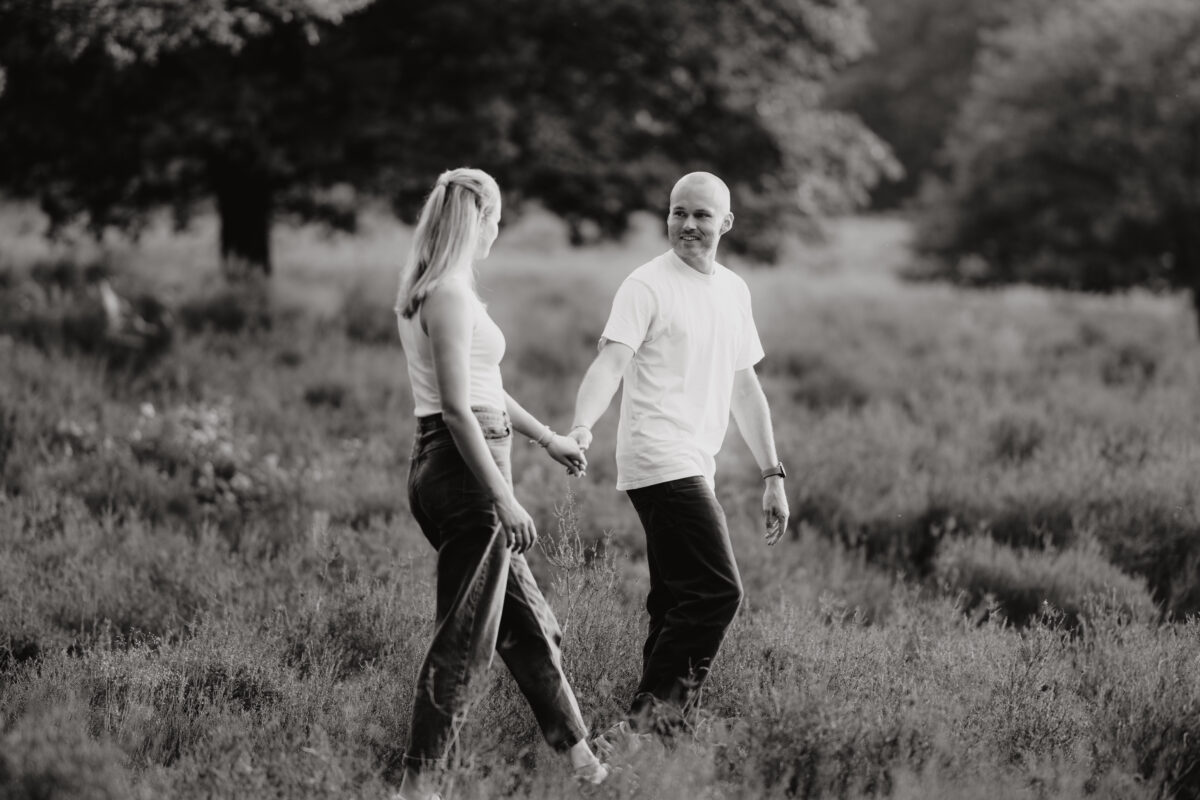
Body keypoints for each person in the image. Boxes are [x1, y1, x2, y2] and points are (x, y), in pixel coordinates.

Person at [391, 168, 607, 800]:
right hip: (467, 474)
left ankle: (586, 765)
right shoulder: (448, 296)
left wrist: (548, 437)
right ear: (479, 218)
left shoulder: (440, 288)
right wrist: (504, 498)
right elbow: (459, 410)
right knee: (464, 640)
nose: (497, 231)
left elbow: (486, 387)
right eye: (497, 219)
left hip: (453, 466)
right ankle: (419, 787)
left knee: (532, 625)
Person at [567, 171, 789, 744]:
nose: (687, 224)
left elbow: (745, 388)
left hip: (695, 460)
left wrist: (772, 473)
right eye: (677, 212)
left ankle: (660, 740)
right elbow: (611, 363)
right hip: (660, 456)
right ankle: (644, 728)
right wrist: (582, 425)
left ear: (726, 223)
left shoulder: (733, 290)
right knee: (718, 592)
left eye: (701, 215)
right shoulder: (646, 285)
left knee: (674, 603)